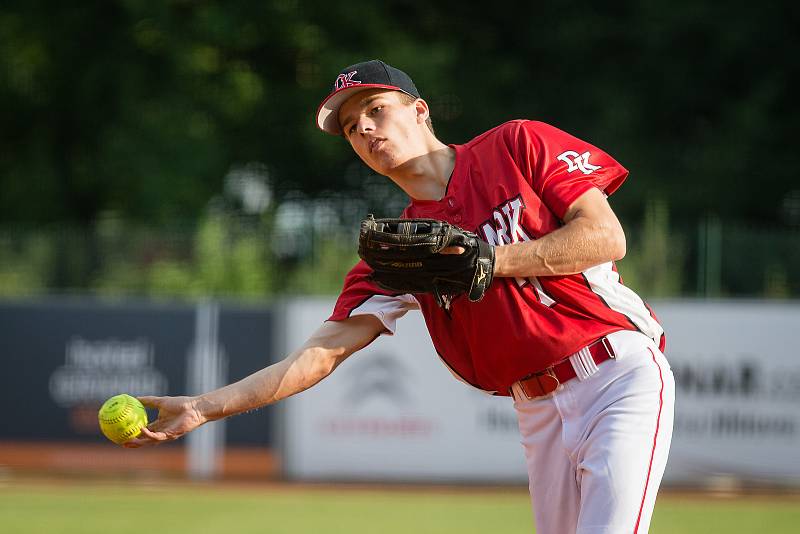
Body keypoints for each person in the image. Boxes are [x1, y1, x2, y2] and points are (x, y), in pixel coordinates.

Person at [127, 59, 675, 534]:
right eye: (349, 126)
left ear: (419, 111)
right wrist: (203, 407)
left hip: (614, 376)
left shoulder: (515, 145)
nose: (363, 127)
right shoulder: (395, 254)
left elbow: (606, 237)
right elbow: (316, 356)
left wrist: (487, 260)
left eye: (375, 109)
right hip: (536, 410)